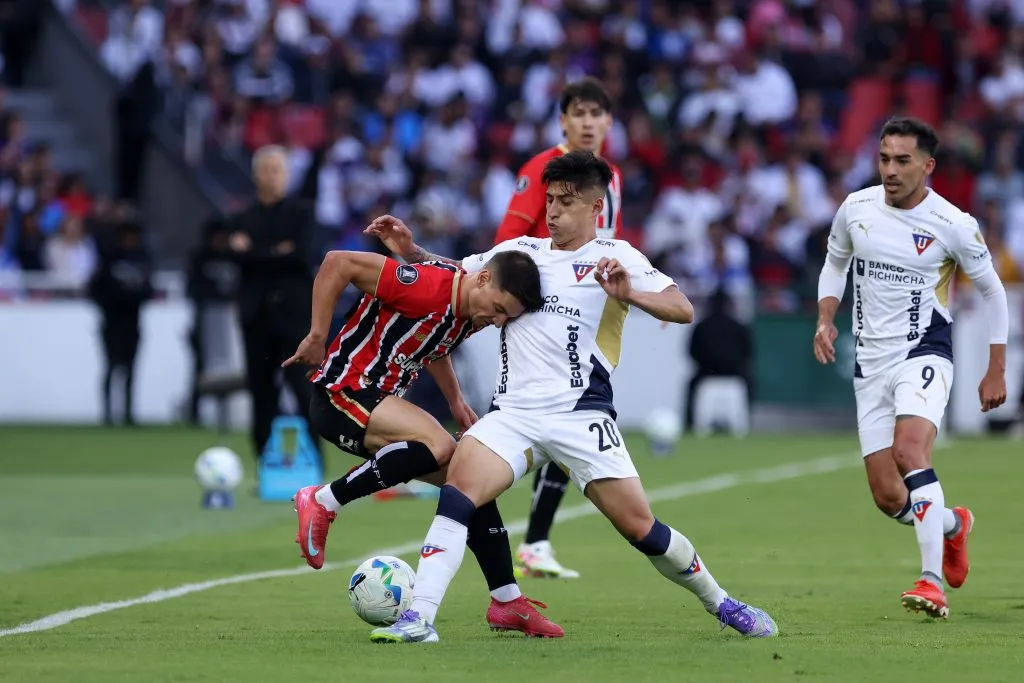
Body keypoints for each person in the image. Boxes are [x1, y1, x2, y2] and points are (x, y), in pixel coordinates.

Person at [366, 150, 778, 643]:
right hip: (513, 415)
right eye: (550, 200)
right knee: (458, 494)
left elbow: (681, 308)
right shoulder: (521, 253)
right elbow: (459, 273)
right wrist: (413, 253)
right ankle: (419, 618)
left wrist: (631, 296)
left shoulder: (616, 257)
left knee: (641, 528)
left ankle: (723, 603)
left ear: (595, 207)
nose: (554, 211)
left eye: (566, 201)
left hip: (582, 417)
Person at [285, 247, 563, 638]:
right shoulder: (427, 287)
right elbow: (336, 263)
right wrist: (317, 335)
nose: (498, 320)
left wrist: (455, 400)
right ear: (482, 279)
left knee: (469, 480)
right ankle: (323, 501)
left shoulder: (472, 310)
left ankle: (506, 600)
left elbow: (431, 339)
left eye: (506, 317)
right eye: (498, 308)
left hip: (376, 402)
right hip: (343, 393)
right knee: (442, 445)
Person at [813, 117, 1009, 620]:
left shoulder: (953, 224)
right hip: (870, 363)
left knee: (909, 451)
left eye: (903, 160)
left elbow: (993, 292)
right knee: (886, 494)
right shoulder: (855, 208)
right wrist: (825, 318)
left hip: (924, 352)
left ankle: (930, 581)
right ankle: (952, 525)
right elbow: (836, 262)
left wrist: (995, 369)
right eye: (884, 158)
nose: (891, 170)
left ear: (928, 165)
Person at [496, 76, 622, 580]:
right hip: (550, 317)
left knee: (570, 418)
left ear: (609, 123)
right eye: (580, 113)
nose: (589, 122)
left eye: (598, 113)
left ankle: (534, 541)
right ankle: (523, 537)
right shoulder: (541, 171)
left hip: (597, 312)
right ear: (563, 121)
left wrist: (635, 293)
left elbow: (609, 242)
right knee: (561, 414)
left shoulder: (610, 176)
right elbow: (507, 241)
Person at [227, 145, 322, 474]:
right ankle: (264, 462)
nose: (272, 176)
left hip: (293, 316)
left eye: (278, 169)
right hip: (256, 316)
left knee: (303, 387)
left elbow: (300, 256)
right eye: (266, 170)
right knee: (260, 390)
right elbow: (236, 256)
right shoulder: (243, 216)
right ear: (255, 176)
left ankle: (315, 461)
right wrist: (276, 252)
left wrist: (256, 251)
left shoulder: (302, 212)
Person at [88, 221, 153, 426]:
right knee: (110, 367)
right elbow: (95, 290)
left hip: (133, 322)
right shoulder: (109, 260)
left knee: (131, 369)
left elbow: (148, 290)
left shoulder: (142, 260)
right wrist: (113, 303)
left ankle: (128, 413)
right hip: (112, 322)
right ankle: (107, 414)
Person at [685, 288, 753, 432]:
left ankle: (690, 423)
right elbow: (748, 353)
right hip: (734, 376)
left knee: (691, 387)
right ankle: (746, 422)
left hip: (706, 376)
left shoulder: (701, 327)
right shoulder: (739, 327)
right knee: (751, 384)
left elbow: (691, 352)